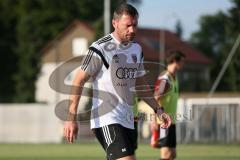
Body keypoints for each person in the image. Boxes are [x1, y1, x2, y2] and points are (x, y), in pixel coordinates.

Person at [63, 3, 171, 160]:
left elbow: (140, 85)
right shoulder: (100, 48)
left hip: (127, 120)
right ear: (115, 23)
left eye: (135, 25)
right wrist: (71, 119)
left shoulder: (137, 49)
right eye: (127, 25)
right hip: (107, 119)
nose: (132, 30)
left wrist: (159, 110)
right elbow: (78, 81)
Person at [151, 50, 185, 160]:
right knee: (166, 154)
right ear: (175, 61)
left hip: (172, 121)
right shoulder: (165, 79)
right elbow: (155, 98)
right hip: (163, 122)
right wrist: (153, 120)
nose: (183, 64)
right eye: (182, 61)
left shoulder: (174, 77)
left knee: (173, 154)